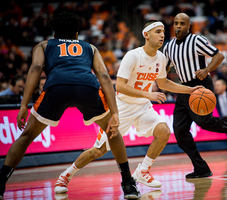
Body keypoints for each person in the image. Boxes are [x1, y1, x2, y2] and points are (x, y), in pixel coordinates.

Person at [0, 12, 141, 200]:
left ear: (54, 33)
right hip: (87, 87)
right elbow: (104, 76)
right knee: (112, 132)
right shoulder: (89, 47)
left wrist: (24, 104)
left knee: (26, 137)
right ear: (77, 34)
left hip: (56, 86)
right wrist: (115, 113)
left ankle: (1, 183)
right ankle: (128, 184)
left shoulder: (43, 45)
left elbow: (35, 69)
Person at [54, 20, 202, 194]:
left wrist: (191, 89)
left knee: (163, 131)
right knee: (98, 150)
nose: (162, 35)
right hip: (121, 107)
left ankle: (143, 171)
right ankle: (66, 175)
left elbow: (163, 82)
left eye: (163, 31)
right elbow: (120, 86)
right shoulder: (133, 56)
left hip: (142, 107)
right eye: (157, 32)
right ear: (146, 35)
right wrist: (149, 94)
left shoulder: (161, 58)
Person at [164, 13, 227, 179]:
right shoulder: (169, 47)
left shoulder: (196, 40)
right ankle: (201, 168)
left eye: (182, 23)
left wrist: (206, 70)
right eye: (176, 23)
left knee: (204, 122)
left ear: (189, 26)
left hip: (201, 84)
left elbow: (219, 56)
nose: (178, 26)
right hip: (184, 89)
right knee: (179, 132)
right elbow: (165, 69)